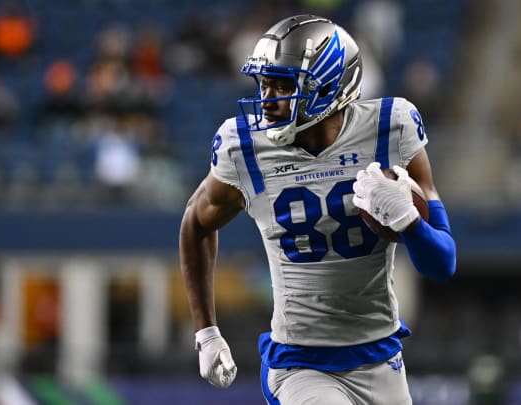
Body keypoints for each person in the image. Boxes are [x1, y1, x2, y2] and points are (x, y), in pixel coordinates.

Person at [179, 14, 457, 405]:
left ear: (329, 87)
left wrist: (409, 222)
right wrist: (206, 332)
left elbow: (442, 264)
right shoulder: (243, 148)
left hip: (380, 357)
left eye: (282, 85)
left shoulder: (390, 128)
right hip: (301, 362)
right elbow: (196, 223)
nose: (267, 99)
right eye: (265, 83)